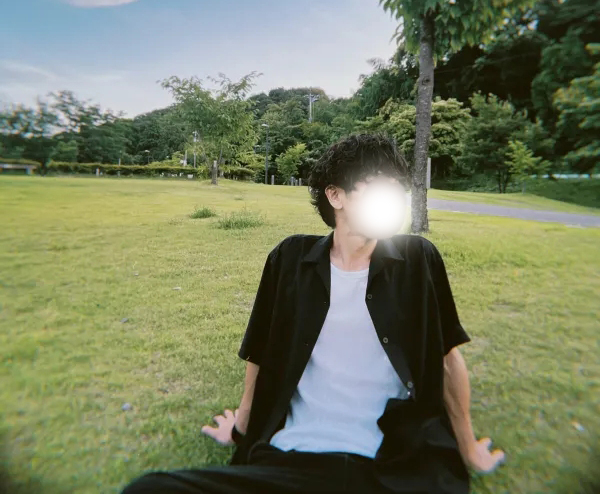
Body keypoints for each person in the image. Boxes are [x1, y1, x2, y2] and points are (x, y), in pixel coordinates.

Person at [121, 133, 505, 494]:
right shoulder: (290, 259)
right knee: (149, 489)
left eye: (395, 186)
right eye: (376, 184)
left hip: (394, 467)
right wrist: (241, 426)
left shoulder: (417, 259)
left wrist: (468, 448)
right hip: (294, 458)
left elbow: (447, 358)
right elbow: (259, 353)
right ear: (335, 195)